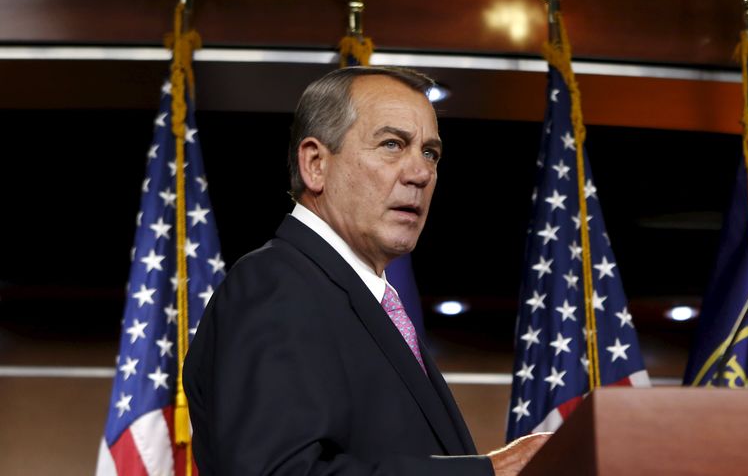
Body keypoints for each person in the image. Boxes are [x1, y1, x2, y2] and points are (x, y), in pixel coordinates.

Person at [183, 66, 550, 475]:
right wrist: (489, 472)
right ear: (316, 164)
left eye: (430, 152)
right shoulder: (276, 283)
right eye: (393, 144)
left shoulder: (361, 300)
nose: (421, 173)